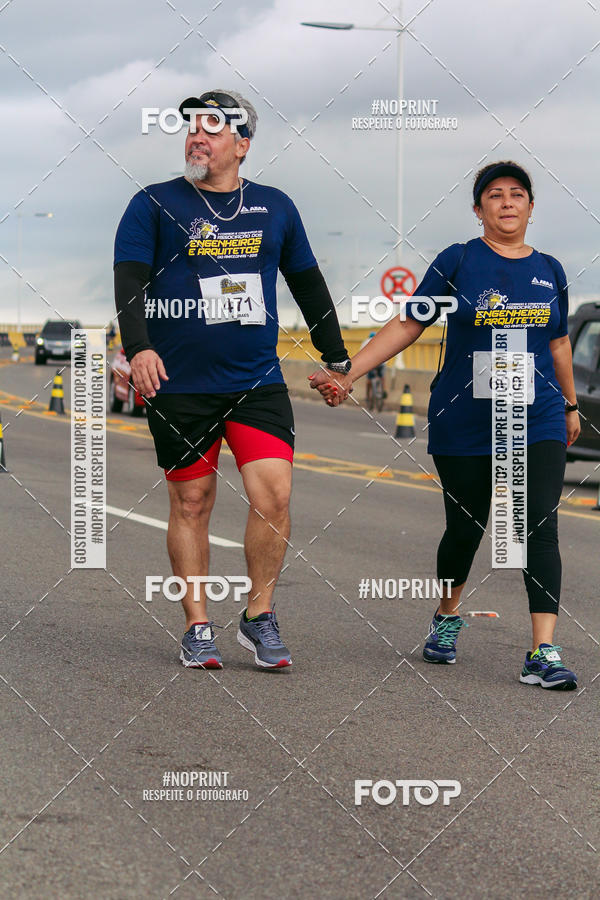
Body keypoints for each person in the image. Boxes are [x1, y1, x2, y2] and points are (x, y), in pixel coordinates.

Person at [310, 161, 581, 690]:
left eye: (517, 194)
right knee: (468, 526)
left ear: (530, 207)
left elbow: (558, 344)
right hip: (465, 418)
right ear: (478, 210)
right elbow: (410, 322)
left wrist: (570, 406)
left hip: (537, 416)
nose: (507, 202)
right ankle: (448, 614)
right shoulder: (458, 262)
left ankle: (543, 651)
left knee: (538, 526)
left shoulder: (550, 269)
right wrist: (349, 372)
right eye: (495, 195)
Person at [114, 89, 351, 670]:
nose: (197, 136)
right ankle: (198, 624)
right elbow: (129, 280)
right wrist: (138, 347)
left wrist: (337, 357)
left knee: (274, 494)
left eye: (213, 129)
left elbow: (308, 284)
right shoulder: (154, 203)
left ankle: (258, 615)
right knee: (191, 500)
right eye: (191, 128)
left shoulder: (275, 207)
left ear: (242, 145)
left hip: (255, 380)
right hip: (180, 382)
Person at [360, 331, 387, 407]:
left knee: (369, 380)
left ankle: (367, 397)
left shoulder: (366, 342)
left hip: (371, 363)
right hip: (382, 363)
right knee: (382, 378)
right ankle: (384, 391)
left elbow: (361, 353)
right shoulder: (381, 341)